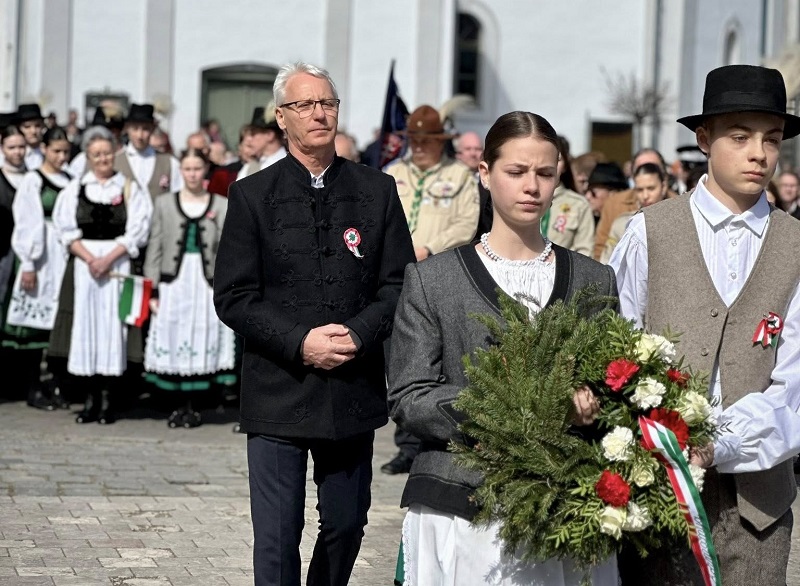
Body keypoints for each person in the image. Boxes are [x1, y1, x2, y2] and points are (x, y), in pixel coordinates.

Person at [388, 110, 618, 585]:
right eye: (516, 171)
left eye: (545, 173)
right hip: (459, 503)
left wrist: (592, 402)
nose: (531, 186)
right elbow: (409, 396)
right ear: (485, 173)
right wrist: (512, 407)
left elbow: (614, 384)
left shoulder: (594, 280)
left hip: (565, 505)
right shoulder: (434, 280)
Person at [213, 61, 414, 586]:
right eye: (304, 104)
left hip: (351, 387)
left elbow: (399, 284)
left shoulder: (377, 190)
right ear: (282, 117)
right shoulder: (251, 195)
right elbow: (234, 296)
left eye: (327, 102)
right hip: (278, 388)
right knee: (278, 536)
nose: (318, 113)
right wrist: (300, 342)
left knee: (346, 526)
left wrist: (359, 333)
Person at [610, 64, 800, 585]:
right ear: (703, 139)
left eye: (771, 138)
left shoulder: (795, 246)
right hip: (655, 497)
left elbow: (794, 388)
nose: (759, 153)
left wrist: (721, 442)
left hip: (758, 508)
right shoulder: (649, 232)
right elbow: (616, 348)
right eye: (740, 137)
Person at [381, 104, 480, 475]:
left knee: (435, 356)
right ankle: (405, 444)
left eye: (427, 140)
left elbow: (465, 224)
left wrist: (427, 249)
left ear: (441, 142)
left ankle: (433, 436)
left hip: (436, 275)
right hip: (395, 276)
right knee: (400, 357)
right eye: (414, 140)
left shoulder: (459, 177)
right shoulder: (393, 173)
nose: (419, 146)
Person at [51, 126, 152, 424]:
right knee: (86, 325)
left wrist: (108, 259)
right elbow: (65, 229)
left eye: (107, 153)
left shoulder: (129, 188)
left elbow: (138, 230)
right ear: (88, 157)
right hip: (85, 267)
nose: (102, 159)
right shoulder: (75, 189)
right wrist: (90, 259)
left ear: (114, 153)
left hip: (116, 266)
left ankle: (108, 400)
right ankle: (90, 399)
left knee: (112, 327)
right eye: (96, 154)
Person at [144, 148, 234, 428]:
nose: (192, 174)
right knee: (174, 334)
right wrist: (152, 288)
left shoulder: (220, 205)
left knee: (202, 334)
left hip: (205, 282)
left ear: (205, 170)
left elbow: (228, 249)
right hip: (175, 281)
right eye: (187, 169)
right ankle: (177, 405)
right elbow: (155, 246)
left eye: (197, 169)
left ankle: (195, 406)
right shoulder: (164, 203)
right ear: (180, 171)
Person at [4, 127, 72, 409]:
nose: (61, 157)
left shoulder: (71, 180)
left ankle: (56, 382)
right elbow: (26, 221)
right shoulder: (33, 180)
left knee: (58, 322)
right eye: (56, 151)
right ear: (43, 149)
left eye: (65, 152)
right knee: (33, 325)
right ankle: (31, 385)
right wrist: (29, 263)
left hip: (63, 254)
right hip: (40, 253)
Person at [593, 148, 675, 260]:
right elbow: (601, 249)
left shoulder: (679, 206)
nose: (645, 195)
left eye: (651, 167)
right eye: (640, 168)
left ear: (663, 183)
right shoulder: (615, 205)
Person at [115, 103, 182, 200]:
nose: (140, 135)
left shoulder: (170, 162)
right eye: (135, 129)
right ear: (127, 129)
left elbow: (178, 195)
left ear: (152, 129)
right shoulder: (115, 162)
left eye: (145, 129)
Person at [544, 135, 595, 257]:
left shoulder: (579, 204)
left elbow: (585, 250)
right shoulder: (524, 198)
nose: (552, 164)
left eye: (558, 159)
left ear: (565, 165)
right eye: (547, 158)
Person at [236, 107, 286, 180]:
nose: (248, 139)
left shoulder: (287, 166)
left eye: (253, 134)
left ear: (269, 135)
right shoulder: (251, 165)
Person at [16, 104, 45, 171]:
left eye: (37, 126)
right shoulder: (11, 154)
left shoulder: (48, 153)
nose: (33, 131)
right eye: (27, 127)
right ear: (19, 128)